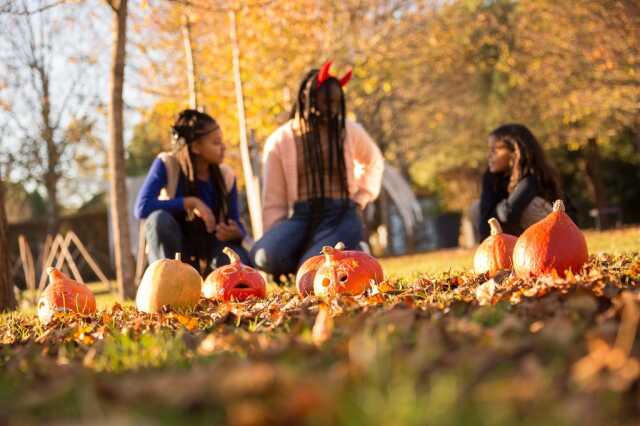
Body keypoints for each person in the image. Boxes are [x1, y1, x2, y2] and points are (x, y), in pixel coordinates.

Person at [250, 61, 384, 279]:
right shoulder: (280, 140)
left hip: (342, 212)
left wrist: (360, 199)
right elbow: (273, 200)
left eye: (336, 102)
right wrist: (277, 235)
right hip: (301, 216)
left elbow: (374, 161)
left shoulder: (348, 131)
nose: (331, 109)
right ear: (306, 98)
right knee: (264, 255)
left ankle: (347, 247)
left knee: (314, 270)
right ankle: (310, 255)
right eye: (325, 102)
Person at [134, 109, 250, 276]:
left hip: (213, 250)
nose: (223, 147)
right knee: (158, 219)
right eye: (216, 142)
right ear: (195, 147)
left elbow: (235, 222)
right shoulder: (167, 164)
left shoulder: (226, 176)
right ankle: (166, 283)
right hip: (178, 252)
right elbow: (142, 207)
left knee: (230, 266)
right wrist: (190, 202)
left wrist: (236, 231)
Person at [473, 123, 571, 240]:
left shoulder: (533, 177)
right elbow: (486, 224)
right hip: (512, 239)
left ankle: (555, 246)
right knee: (475, 208)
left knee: (532, 207)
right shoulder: (491, 177)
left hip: (544, 240)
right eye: (489, 150)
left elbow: (508, 214)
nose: (489, 155)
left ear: (515, 151)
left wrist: (501, 208)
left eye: (495, 150)